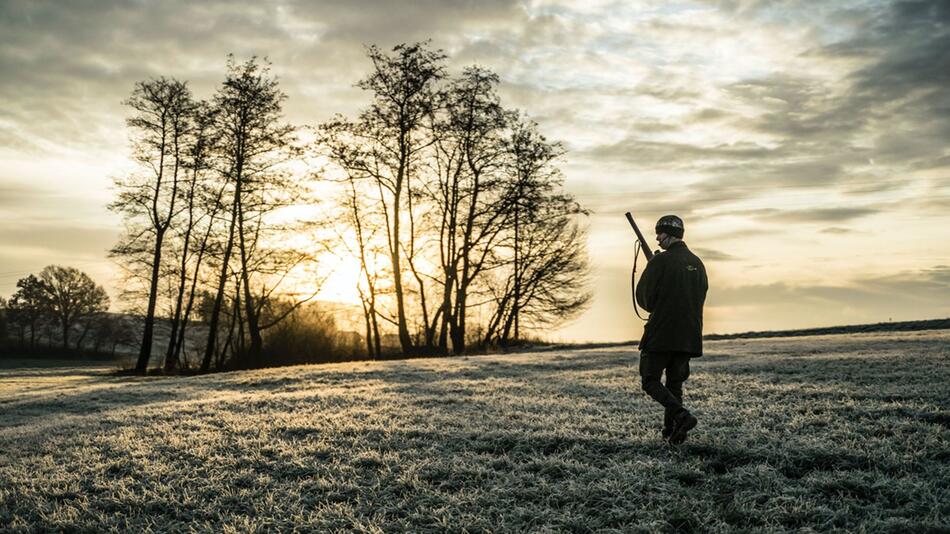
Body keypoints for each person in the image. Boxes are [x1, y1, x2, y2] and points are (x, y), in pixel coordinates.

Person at [635, 214, 708, 444]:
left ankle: (681, 416)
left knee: (650, 380)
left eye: (659, 233)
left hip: (662, 333)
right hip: (689, 335)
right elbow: (700, 295)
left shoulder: (660, 261)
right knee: (674, 385)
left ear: (669, 234)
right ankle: (672, 432)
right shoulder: (697, 263)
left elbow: (645, 300)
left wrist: (655, 271)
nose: (656, 238)